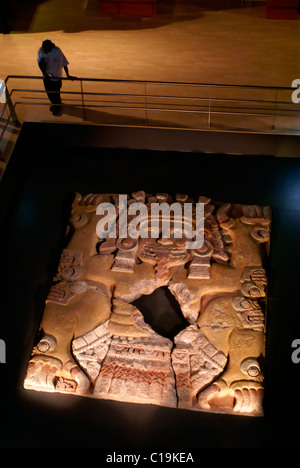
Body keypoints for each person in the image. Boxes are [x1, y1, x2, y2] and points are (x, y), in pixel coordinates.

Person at [37, 40, 76, 115]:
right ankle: (54, 104)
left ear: (50, 48)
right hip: (47, 77)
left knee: (56, 93)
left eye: (46, 50)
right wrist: (44, 74)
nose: (45, 51)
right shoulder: (40, 50)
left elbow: (64, 63)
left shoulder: (57, 51)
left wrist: (68, 75)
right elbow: (39, 62)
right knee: (49, 92)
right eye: (44, 49)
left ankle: (57, 106)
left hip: (56, 77)